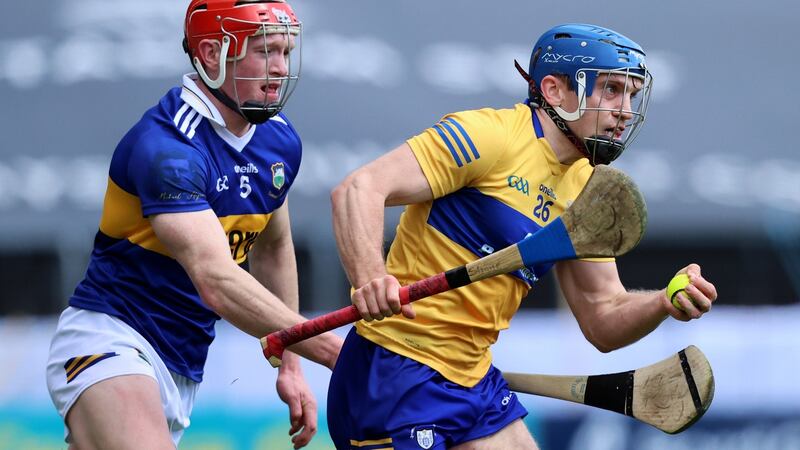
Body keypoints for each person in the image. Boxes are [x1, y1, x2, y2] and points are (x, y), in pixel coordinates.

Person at [327, 23, 718, 449]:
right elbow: (358, 189)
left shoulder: (591, 189)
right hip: (393, 372)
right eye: (610, 89)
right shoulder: (489, 135)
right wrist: (369, 277)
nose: (625, 109)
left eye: (632, 94)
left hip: (474, 381)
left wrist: (662, 302)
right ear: (553, 90)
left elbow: (602, 316)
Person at [45, 1, 342, 449]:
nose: (280, 68)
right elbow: (217, 281)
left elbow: (272, 247)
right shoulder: (168, 149)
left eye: (286, 51)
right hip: (112, 341)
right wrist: (339, 353)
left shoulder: (279, 139)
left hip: (181, 364)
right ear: (210, 54)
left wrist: (292, 366)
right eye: (265, 51)